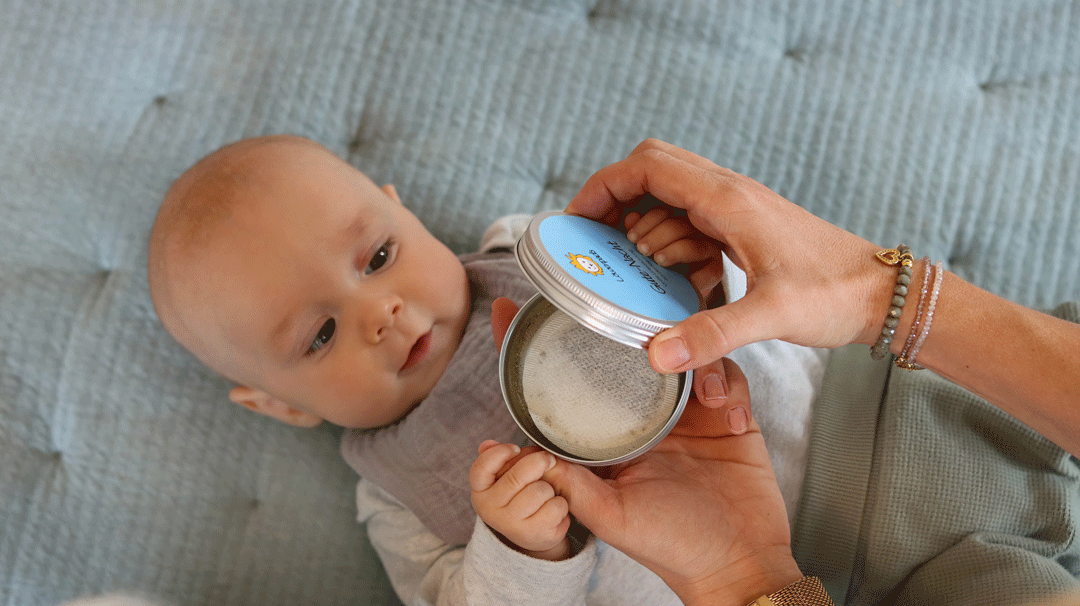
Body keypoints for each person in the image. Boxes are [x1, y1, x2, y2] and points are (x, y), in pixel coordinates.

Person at [150, 134, 828, 605]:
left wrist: (693, 266)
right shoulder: (398, 501)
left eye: (379, 257)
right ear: (281, 405)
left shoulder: (538, 251)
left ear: (402, 210)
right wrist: (520, 552)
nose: (381, 312)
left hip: (844, 430)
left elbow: (758, 302)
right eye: (320, 335)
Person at [486, 138, 1080, 605]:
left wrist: (744, 577)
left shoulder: (512, 239)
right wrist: (879, 294)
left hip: (894, 427)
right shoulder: (416, 495)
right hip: (930, 434)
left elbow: (732, 320)